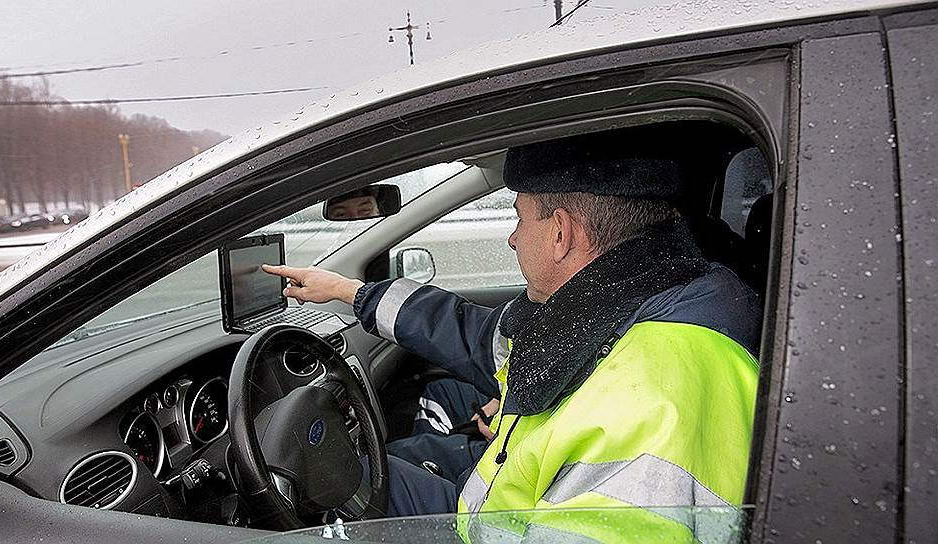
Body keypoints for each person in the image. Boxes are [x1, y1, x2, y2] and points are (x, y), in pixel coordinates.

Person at [264, 127, 761, 542]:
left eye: (519, 219)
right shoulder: (620, 300)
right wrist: (351, 292)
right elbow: (481, 337)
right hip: (498, 509)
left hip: (498, 525)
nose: (511, 237)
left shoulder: (652, 396)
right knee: (372, 474)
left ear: (562, 233)